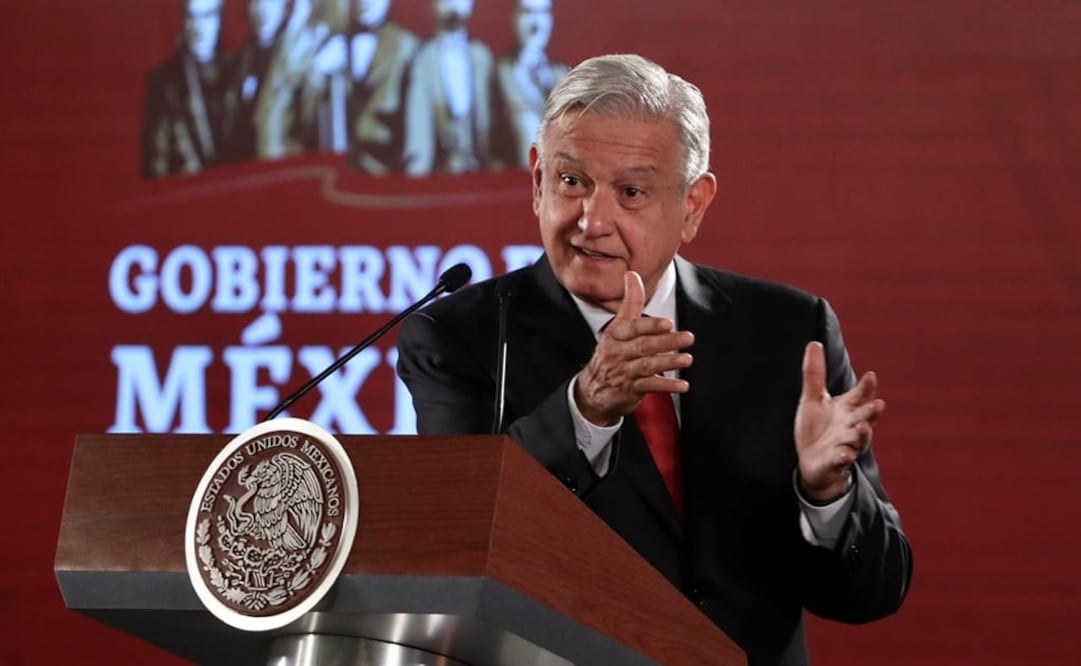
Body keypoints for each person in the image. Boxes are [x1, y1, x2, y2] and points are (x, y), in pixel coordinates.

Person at [396, 54, 913, 666]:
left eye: (632, 192)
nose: (592, 220)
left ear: (692, 204)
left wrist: (825, 493)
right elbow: (462, 544)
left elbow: (872, 592)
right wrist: (585, 408)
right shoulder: (462, 336)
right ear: (537, 179)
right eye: (571, 181)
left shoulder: (787, 331)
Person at [299, 0, 420, 173]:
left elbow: (417, 125)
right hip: (334, 170)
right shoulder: (329, 45)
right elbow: (303, 123)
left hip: (388, 169)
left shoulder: (406, 46)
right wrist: (318, 71)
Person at [401, 0, 495, 176]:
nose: (453, 5)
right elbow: (417, 129)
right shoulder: (421, 60)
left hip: (481, 173)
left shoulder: (483, 57)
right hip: (438, 175)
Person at [141, 0, 230, 178]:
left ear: (220, 17)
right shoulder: (164, 81)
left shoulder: (236, 67)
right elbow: (156, 162)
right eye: (191, 17)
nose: (198, 27)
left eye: (207, 16)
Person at [492, 0, 567, 169]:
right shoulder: (499, 73)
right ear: (513, 18)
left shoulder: (561, 75)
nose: (536, 23)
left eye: (544, 12)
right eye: (527, 12)